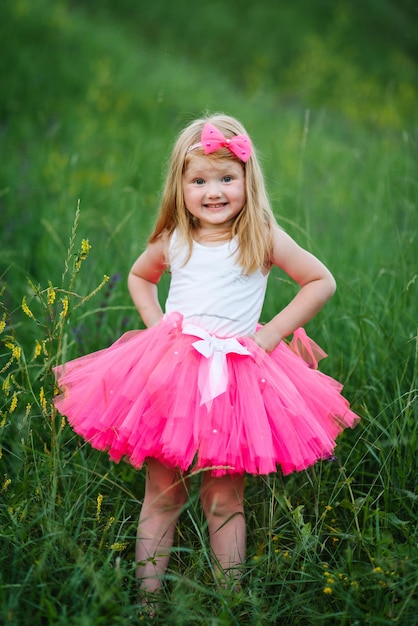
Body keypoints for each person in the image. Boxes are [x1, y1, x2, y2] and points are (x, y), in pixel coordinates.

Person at [53, 113, 359, 600]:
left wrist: (272, 335)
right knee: (163, 493)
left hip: (238, 377)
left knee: (223, 498)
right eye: (199, 180)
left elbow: (320, 280)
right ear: (181, 186)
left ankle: (227, 604)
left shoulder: (260, 235)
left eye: (226, 178)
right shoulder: (175, 239)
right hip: (172, 375)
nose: (213, 191)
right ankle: (149, 604)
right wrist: (159, 329)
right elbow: (139, 276)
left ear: (246, 179)